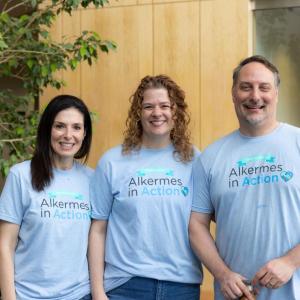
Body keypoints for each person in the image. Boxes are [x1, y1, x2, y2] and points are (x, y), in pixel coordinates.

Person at [189, 55, 300, 300]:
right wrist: (223, 274)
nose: (255, 96)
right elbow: (196, 226)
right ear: (233, 93)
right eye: (246, 87)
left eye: (264, 87)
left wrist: (291, 262)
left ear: (277, 94)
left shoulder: (298, 142)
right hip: (236, 295)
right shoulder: (210, 157)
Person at [89, 75, 202, 300]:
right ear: (138, 113)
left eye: (164, 106)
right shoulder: (112, 161)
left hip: (181, 287)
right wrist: (98, 291)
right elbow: (97, 229)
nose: (156, 113)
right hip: (125, 285)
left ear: (176, 111)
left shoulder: (195, 160)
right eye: (148, 106)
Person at [0, 95, 93, 300]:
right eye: (60, 126)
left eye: (77, 127)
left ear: (85, 134)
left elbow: (96, 242)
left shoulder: (93, 180)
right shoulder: (20, 175)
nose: (68, 135)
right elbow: (5, 244)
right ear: (47, 129)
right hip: (27, 295)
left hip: (79, 295)